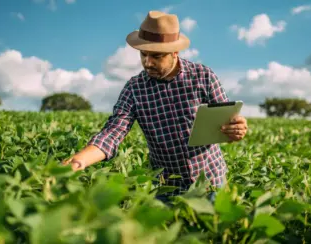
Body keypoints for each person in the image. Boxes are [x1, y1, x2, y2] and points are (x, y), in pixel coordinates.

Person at [62, 10, 248, 204]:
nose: (147, 62)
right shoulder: (134, 88)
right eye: (143, 54)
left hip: (210, 182)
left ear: (175, 53)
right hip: (166, 187)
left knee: (212, 233)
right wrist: (80, 160)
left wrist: (236, 129)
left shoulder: (203, 76)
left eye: (157, 56)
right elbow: (113, 132)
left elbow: (228, 120)